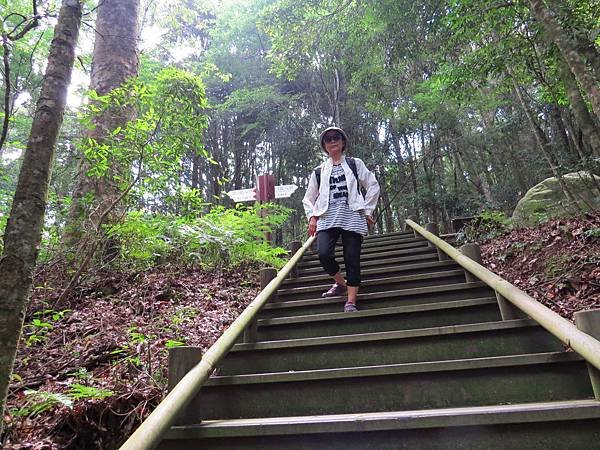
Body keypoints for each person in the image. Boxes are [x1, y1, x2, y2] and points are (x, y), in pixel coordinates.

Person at [302, 126, 380, 312]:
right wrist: (312, 216)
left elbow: (373, 185)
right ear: (324, 146)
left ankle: (351, 301)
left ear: (343, 141)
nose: (332, 141)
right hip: (327, 218)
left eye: (336, 137)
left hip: (352, 216)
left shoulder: (355, 164)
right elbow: (308, 198)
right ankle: (340, 283)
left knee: (351, 258)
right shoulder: (319, 171)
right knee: (323, 254)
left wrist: (367, 210)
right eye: (328, 139)